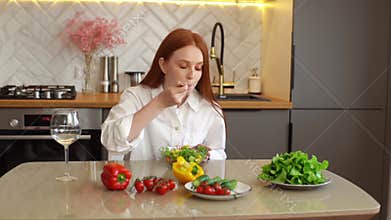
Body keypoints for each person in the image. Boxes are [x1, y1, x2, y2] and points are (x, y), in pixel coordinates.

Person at [101, 28, 226, 161]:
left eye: (198, 68)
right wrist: (159, 103)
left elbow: (219, 153)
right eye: (183, 66)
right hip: (142, 180)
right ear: (163, 65)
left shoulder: (209, 108)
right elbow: (112, 142)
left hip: (189, 182)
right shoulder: (136, 96)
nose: (191, 75)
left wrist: (206, 155)